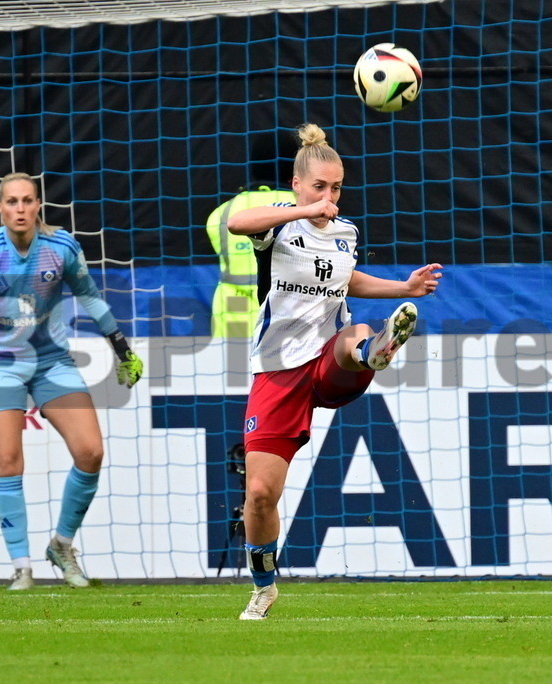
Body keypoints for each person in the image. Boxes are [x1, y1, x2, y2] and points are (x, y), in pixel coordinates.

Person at [226, 123, 442, 620]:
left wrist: (403, 287)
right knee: (260, 495)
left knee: (356, 333)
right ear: (298, 184)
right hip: (277, 370)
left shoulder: (346, 234)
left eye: (337, 187)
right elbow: (238, 223)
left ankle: (376, 351)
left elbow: (347, 281)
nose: (330, 196)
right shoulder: (279, 223)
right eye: (319, 186)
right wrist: (304, 211)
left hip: (329, 361)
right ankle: (263, 586)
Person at [0, 172, 144, 590]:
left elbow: (89, 295)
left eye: (27, 201)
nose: (20, 209)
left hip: (53, 362)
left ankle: (62, 545)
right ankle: (21, 566)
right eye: (12, 202)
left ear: (38, 206)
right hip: (0, 363)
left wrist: (122, 348)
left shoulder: (61, 248)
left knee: (90, 452)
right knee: (9, 460)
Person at [205, 185, 296, 337]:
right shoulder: (298, 203)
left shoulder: (223, 211)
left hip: (234, 303)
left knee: (234, 357)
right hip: (287, 303)